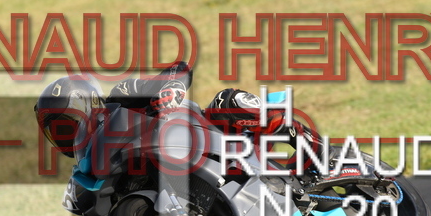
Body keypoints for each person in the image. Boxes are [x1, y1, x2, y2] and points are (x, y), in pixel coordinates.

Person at [35, 61, 320, 159]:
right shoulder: (92, 164)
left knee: (227, 102)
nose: (64, 136)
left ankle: (315, 151)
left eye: (67, 125)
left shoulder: (121, 97)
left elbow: (178, 68)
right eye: (56, 133)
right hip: (174, 168)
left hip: (207, 136)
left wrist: (169, 91)